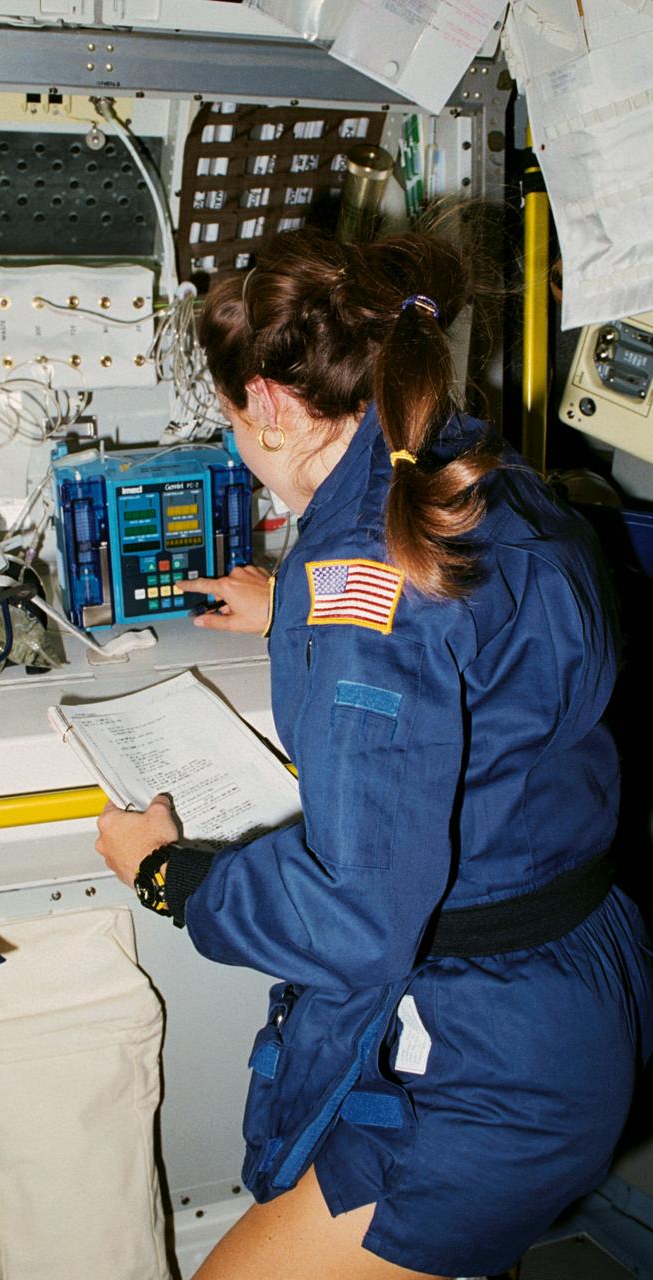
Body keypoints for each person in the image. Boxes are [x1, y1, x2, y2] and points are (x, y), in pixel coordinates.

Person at [95, 227, 653, 1280]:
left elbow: (352, 911)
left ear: (263, 401)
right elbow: (483, 649)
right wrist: (288, 609)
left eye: (229, 423)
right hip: (578, 976)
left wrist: (171, 873)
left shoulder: (367, 570)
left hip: (482, 1045)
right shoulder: (474, 472)